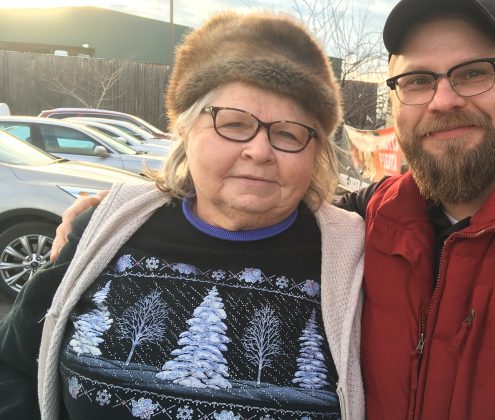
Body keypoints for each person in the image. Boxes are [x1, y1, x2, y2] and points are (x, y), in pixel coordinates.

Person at [48, 1, 495, 419]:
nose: (444, 100)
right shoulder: (368, 222)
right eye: (418, 80)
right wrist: (117, 210)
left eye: (474, 72)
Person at [0, 11, 364, 420]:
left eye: (288, 133)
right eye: (234, 123)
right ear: (185, 131)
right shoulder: (106, 230)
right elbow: (13, 366)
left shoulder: (352, 260)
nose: (260, 151)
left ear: (316, 152)